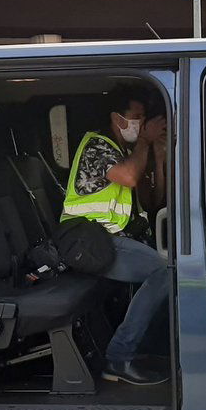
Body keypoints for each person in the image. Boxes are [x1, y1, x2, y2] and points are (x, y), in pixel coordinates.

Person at [62, 85, 169, 386]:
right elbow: (129, 176)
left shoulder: (124, 151)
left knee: (165, 268)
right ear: (117, 118)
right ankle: (119, 359)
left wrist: (157, 159)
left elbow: (151, 201)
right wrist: (146, 142)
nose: (142, 124)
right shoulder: (97, 145)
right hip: (89, 240)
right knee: (164, 272)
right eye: (137, 117)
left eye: (145, 118)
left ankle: (147, 348)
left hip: (112, 238)